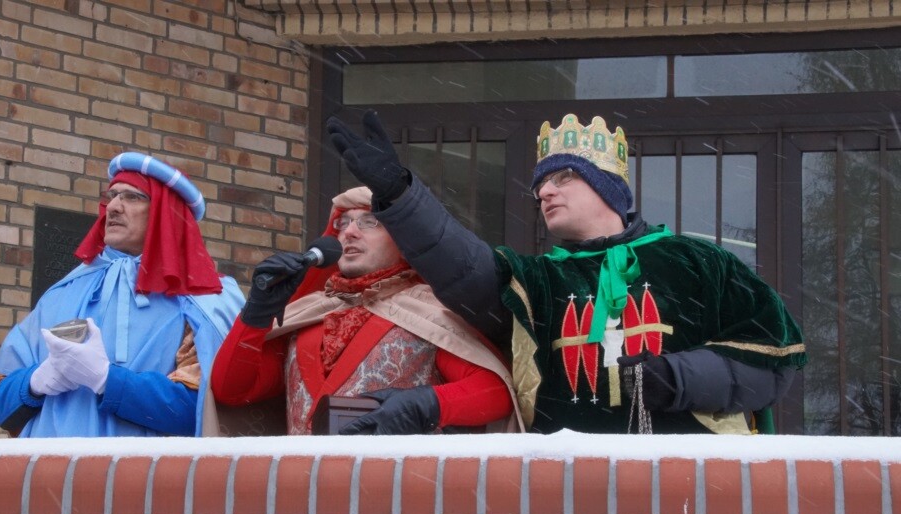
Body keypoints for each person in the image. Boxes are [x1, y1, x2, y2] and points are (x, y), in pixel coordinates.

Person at [327, 111, 807, 434]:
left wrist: (678, 378)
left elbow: (775, 360)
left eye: (564, 177)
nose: (545, 192)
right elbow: (461, 265)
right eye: (540, 184)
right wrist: (399, 197)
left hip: (689, 486)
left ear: (609, 188)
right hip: (566, 487)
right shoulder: (536, 281)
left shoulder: (697, 261)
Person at [210, 186, 520, 435]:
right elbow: (231, 390)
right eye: (343, 223)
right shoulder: (305, 316)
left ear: (404, 241)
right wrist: (256, 314)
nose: (349, 232)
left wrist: (425, 405)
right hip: (301, 490)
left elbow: (496, 393)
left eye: (370, 221)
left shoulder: (430, 314)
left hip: (395, 491)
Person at [0, 152, 245, 437]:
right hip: (50, 466)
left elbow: (207, 413)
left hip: (142, 467)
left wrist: (108, 380)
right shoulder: (62, 293)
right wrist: (35, 383)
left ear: (166, 213)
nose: (113, 207)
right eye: (112, 196)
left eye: (132, 197)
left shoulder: (206, 299)